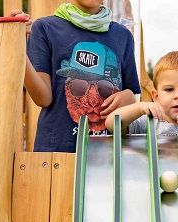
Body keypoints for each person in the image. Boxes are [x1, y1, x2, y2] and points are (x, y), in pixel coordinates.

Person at [13, 0, 141, 152]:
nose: (92, 100)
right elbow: (43, 99)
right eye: (79, 86)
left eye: (103, 87)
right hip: (57, 154)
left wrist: (130, 97)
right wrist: (18, 46)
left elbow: (130, 98)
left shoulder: (123, 36)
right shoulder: (44, 29)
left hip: (108, 155)